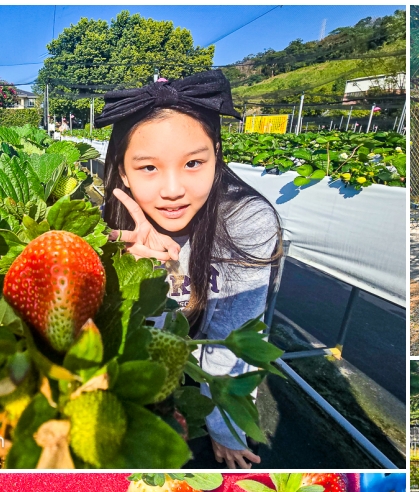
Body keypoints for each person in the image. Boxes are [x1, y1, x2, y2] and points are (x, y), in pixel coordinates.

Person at [95, 70, 280, 469]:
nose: (173, 189)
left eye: (194, 162)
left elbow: (231, 338)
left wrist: (225, 431)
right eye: (149, 168)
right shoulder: (103, 226)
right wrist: (132, 278)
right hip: (133, 370)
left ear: (216, 155)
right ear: (123, 172)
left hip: (201, 363)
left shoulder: (247, 221)